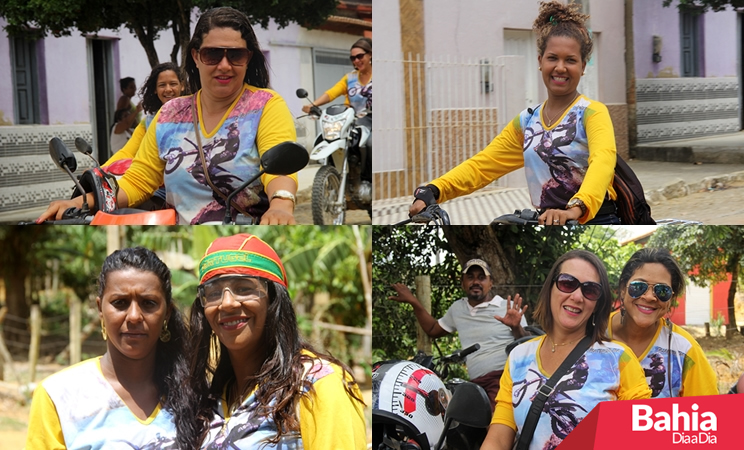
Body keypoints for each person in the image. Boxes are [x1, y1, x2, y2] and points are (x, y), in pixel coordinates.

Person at [39, 7, 299, 225]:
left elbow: (279, 169)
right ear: (196, 56)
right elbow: (139, 179)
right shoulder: (170, 113)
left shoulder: (266, 105)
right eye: (212, 54)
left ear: (248, 57)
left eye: (236, 55)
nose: (224, 65)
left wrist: (281, 204)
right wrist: (81, 202)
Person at [409, 1, 620, 225]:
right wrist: (435, 189)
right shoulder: (527, 121)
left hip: (595, 219)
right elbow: (483, 165)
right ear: (540, 61)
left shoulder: (592, 112)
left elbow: (603, 162)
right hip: (546, 222)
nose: (560, 67)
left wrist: (576, 208)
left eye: (570, 60)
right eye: (552, 58)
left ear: (583, 66)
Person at [179, 233, 366, 449]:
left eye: (244, 288)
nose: (227, 303)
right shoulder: (213, 399)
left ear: (274, 300)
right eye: (213, 292)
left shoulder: (318, 384)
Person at [481, 249, 651, 450]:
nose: (577, 296)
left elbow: (641, 438)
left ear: (597, 304)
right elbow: (499, 438)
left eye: (590, 290)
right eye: (567, 283)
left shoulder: (618, 359)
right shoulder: (519, 357)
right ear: (551, 288)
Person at [25, 247, 190, 449]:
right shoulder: (58, 396)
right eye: (120, 303)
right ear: (100, 309)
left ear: (167, 313)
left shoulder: (192, 392)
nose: (134, 316)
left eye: (149, 303)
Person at [389, 258, 528, 411]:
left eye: (481, 278)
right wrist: (413, 301)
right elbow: (433, 329)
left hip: (502, 377)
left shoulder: (506, 308)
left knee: (495, 426)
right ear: (462, 283)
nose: (476, 282)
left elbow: (527, 343)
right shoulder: (457, 308)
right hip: (477, 384)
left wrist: (516, 328)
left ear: (491, 283)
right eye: (470, 277)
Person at [608, 247, 718, 398]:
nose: (649, 297)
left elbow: (707, 413)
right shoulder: (591, 333)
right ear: (622, 289)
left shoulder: (685, 351)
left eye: (662, 291)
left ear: (671, 299)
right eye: (639, 287)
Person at [104, 62, 186, 209]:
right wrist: (99, 170)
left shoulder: (196, 115)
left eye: (173, 84)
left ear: (182, 86)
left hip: (188, 191)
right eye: (162, 85)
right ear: (155, 90)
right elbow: (127, 152)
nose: (168, 89)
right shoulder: (148, 121)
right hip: (155, 190)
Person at [302, 37, 372, 180]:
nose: (356, 61)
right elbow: (332, 93)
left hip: (374, 120)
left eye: (360, 56)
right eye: (353, 58)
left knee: (370, 143)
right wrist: (313, 105)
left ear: (370, 54)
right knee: (330, 138)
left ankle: (369, 179)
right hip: (354, 120)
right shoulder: (350, 78)